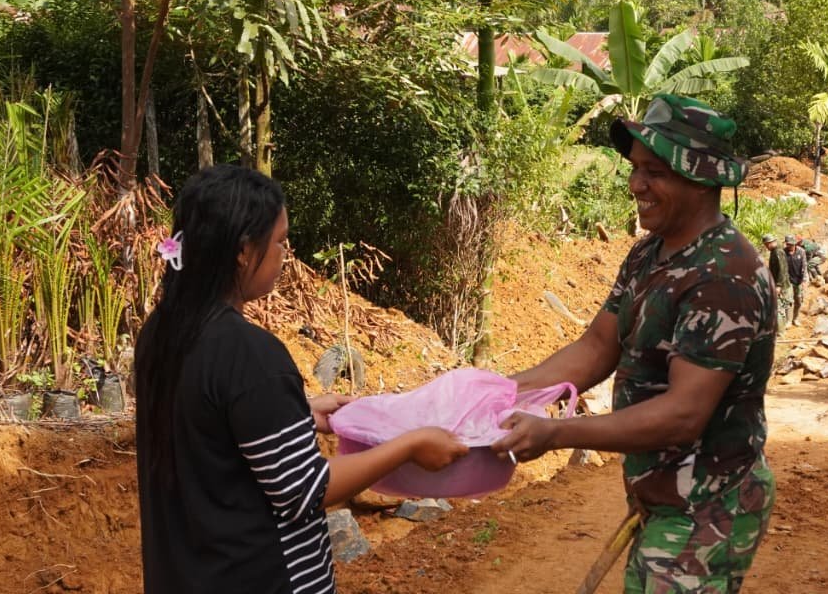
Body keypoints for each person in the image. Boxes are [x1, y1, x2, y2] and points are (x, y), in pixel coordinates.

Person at [135, 165, 468, 594]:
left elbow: (204, 424)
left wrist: (299, 414)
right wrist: (409, 446)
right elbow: (306, 489)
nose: (284, 254)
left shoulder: (162, 332)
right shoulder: (251, 354)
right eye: (279, 242)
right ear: (242, 251)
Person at [493, 94, 777, 593]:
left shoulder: (722, 276)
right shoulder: (650, 252)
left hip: (705, 506)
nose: (636, 185)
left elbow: (683, 414)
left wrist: (556, 434)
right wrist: (497, 392)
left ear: (702, 178)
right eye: (635, 168)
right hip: (664, 495)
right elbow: (598, 346)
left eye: (655, 172)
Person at [781, 234, 808, 325]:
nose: (790, 246)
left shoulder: (801, 252)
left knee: (799, 301)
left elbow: (804, 266)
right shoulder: (783, 253)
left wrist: (804, 280)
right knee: (788, 301)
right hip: (788, 281)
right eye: (788, 244)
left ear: (795, 244)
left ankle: (795, 318)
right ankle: (788, 320)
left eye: (791, 244)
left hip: (798, 281)